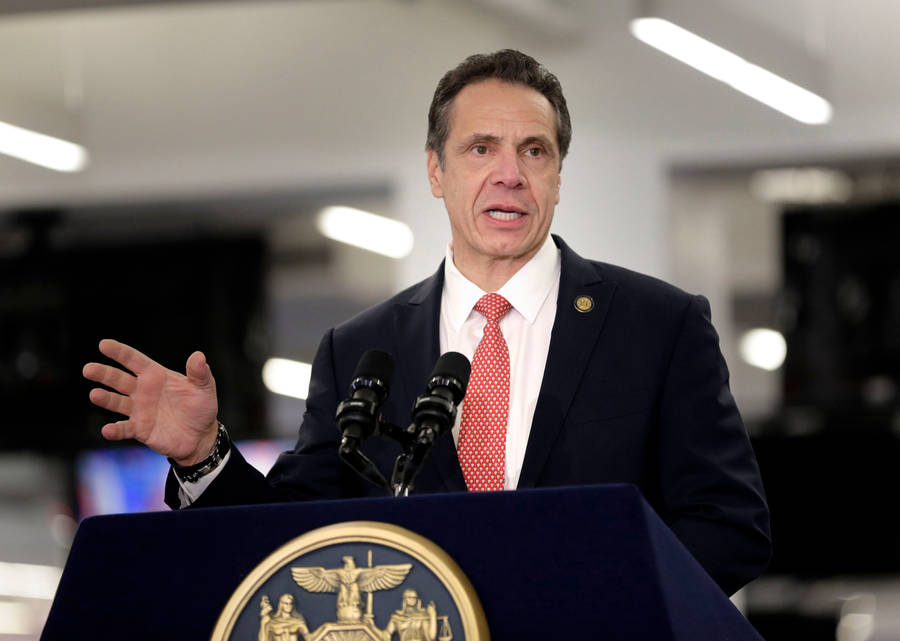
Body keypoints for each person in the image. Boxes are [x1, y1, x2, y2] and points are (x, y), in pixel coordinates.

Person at [83, 49, 771, 596]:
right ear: (436, 171)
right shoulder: (358, 348)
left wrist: (600, 601)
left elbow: (730, 525)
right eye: (480, 149)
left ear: (559, 176)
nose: (510, 174)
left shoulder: (659, 325)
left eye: (534, 151)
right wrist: (204, 455)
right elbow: (291, 541)